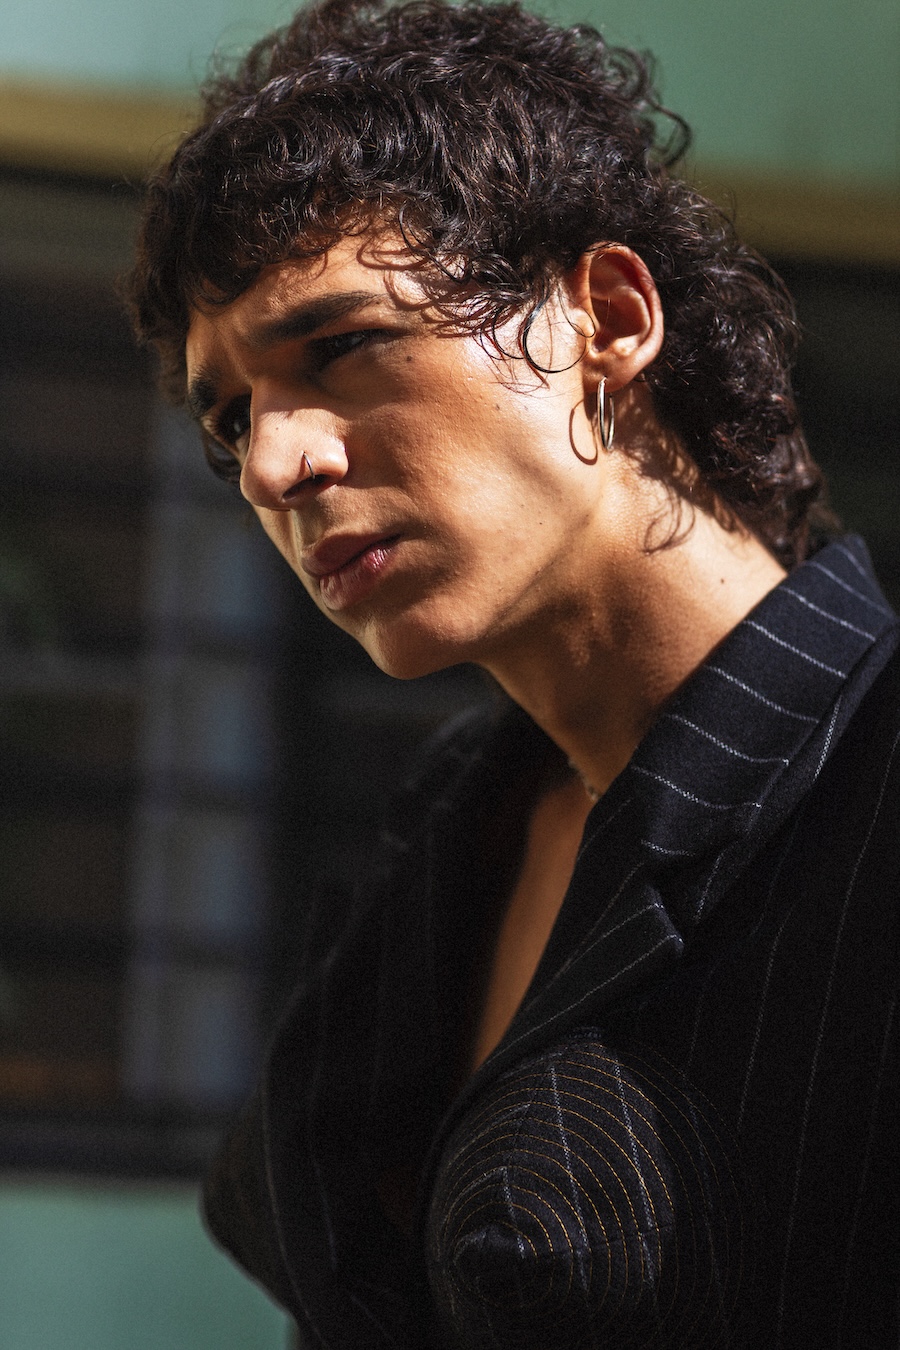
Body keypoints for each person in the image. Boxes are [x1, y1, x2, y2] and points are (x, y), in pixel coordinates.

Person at [125, 0, 900, 1344]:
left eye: (342, 346)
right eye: (233, 415)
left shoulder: (870, 780)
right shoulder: (450, 827)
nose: (274, 465)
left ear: (607, 317)